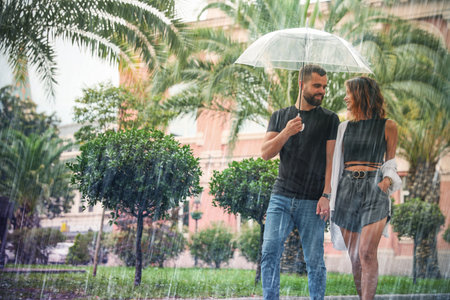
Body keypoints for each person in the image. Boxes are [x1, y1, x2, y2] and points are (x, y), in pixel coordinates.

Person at [261, 64, 340, 300]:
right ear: (301, 84)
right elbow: (265, 153)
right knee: (269, 252)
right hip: (281, 197)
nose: (322, 91)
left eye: (324, 87)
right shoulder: (280, 116)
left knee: (314, 259)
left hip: (312, 201)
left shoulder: (330, 119)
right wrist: (286, 132)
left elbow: (331, 161)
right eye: (317, 85)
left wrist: (326, 195)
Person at [329, 76, 402, 300]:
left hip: (374, 188)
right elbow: (335, 165)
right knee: (354, 256)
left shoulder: (388, 126)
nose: (345, 98)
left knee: (367, 253)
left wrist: (385, 183)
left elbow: (390, 162)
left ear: (360, 94)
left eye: (348, 93)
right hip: (347, 189)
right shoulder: (344, 128)